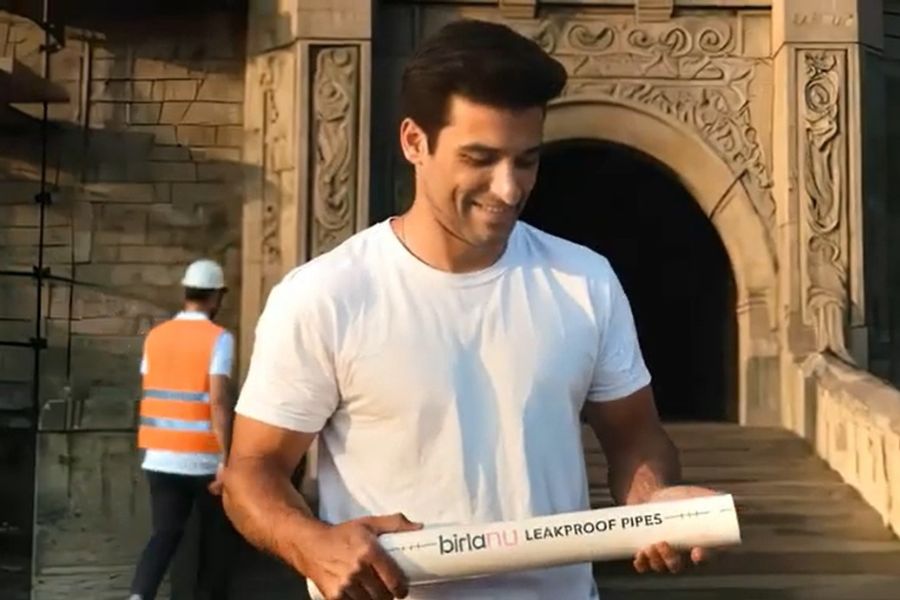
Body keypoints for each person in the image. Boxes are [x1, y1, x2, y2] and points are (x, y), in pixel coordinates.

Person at [224, 19, 720, 600]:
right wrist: (310, 542)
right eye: (479, 158)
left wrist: (651, 501)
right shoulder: (327, 295)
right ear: (415, 142)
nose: (508, 189)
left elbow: (636, 435)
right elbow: (251, 471)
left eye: (526, 161)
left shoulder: (584, 281)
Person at [129, 259, 237, 600]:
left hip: (159, 458)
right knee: (217, 541)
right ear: (216, 296)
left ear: (186, 292)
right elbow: (218, 401)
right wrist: (228, 458)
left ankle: (139, 596)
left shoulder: (156, 337)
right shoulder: (218, 338)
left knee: (164, 535)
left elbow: (152, 388)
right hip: (203, 461)